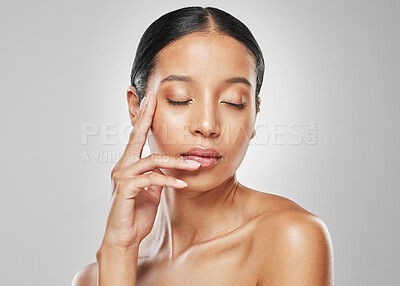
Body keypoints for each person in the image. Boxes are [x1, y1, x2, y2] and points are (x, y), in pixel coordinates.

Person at [72, 6, 334, 286]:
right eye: (180, 99)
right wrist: (119, 252)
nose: (207, 125)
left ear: (255, 113)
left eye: (234, 102)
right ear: (136, 108)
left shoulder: (289, 237)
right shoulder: (95, 277)